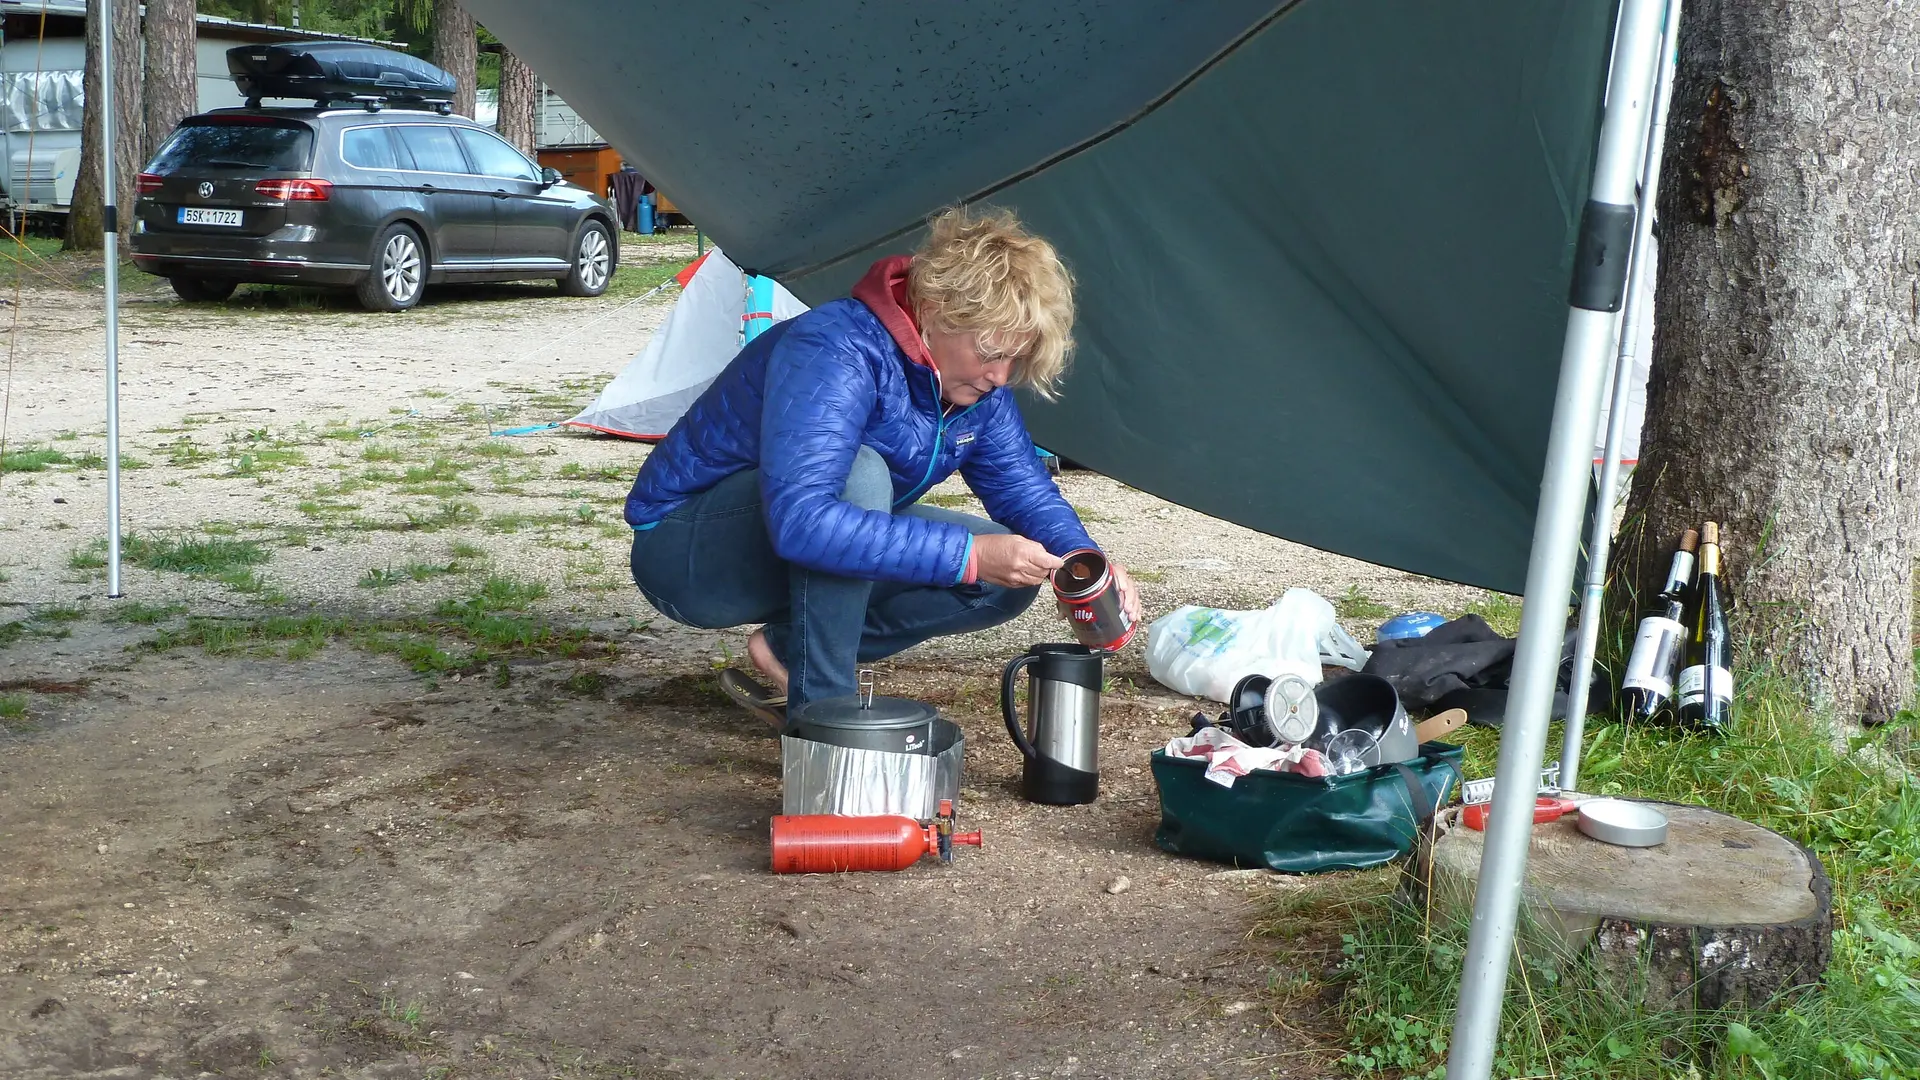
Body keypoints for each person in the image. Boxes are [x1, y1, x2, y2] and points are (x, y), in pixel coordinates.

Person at [624, 206, 1138, 721]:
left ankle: (790, 654)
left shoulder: (976, 387)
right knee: (862, 474)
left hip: (790, 539)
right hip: (686, 553)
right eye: (989, 351)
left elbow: (1022, 489)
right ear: (936, 309)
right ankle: (825, 715)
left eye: (1016, 358)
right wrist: (972, 553)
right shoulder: (836, 347)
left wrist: (1085, 558)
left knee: (1003, 579)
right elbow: (804, 521)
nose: (1001, 376)